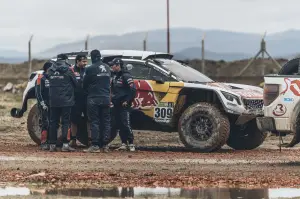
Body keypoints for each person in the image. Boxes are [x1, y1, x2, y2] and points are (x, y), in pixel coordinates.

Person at [47, 54, 78, 152]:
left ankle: (52, 145)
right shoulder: (69, 70)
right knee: (65, 122)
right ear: (66, 60)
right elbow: (76, 84)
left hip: (53, 100)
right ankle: (65, 145)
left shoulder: (50, 70)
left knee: (53, 122)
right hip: (66, 101)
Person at [83, 49, 111, 153]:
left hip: (94, 98)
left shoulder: (90, 69)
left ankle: (95, 145)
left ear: (92, 57)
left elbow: (85, 84)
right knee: (106, 121)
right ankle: (105, 145)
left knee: (94, 121)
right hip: (106, 98)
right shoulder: (107, 67)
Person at [110, 58, 137, 152]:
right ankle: (123, 143)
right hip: (116, 104)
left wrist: (127, 100)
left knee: (126, 123)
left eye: (113, 65)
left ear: (118, 65)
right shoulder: (114, 76)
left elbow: (133, 89)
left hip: (124, 105)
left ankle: (131, 143)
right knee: (119, 124)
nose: (111, 67)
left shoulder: (126, 75)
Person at [69, 54, 90, 147]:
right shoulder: (71, 70)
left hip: (86, 98)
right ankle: (73, 140)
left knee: (89, 119)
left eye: (86, 61)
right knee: (74, 120)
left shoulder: (88, 70)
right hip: (75, 99)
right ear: (77, 61)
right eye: (83, 61)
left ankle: (90, 140)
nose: (85, 63)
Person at [35, 61, 53, 150]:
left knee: (52, 122)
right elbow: (38, 93)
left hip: (51, 104)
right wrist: (42, 103)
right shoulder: (40, 78)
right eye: (51, 68)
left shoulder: (52, 77)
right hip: (43, 104)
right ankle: (43, 142)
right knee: (45, 122)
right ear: (47, 69)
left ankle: (50, 141)